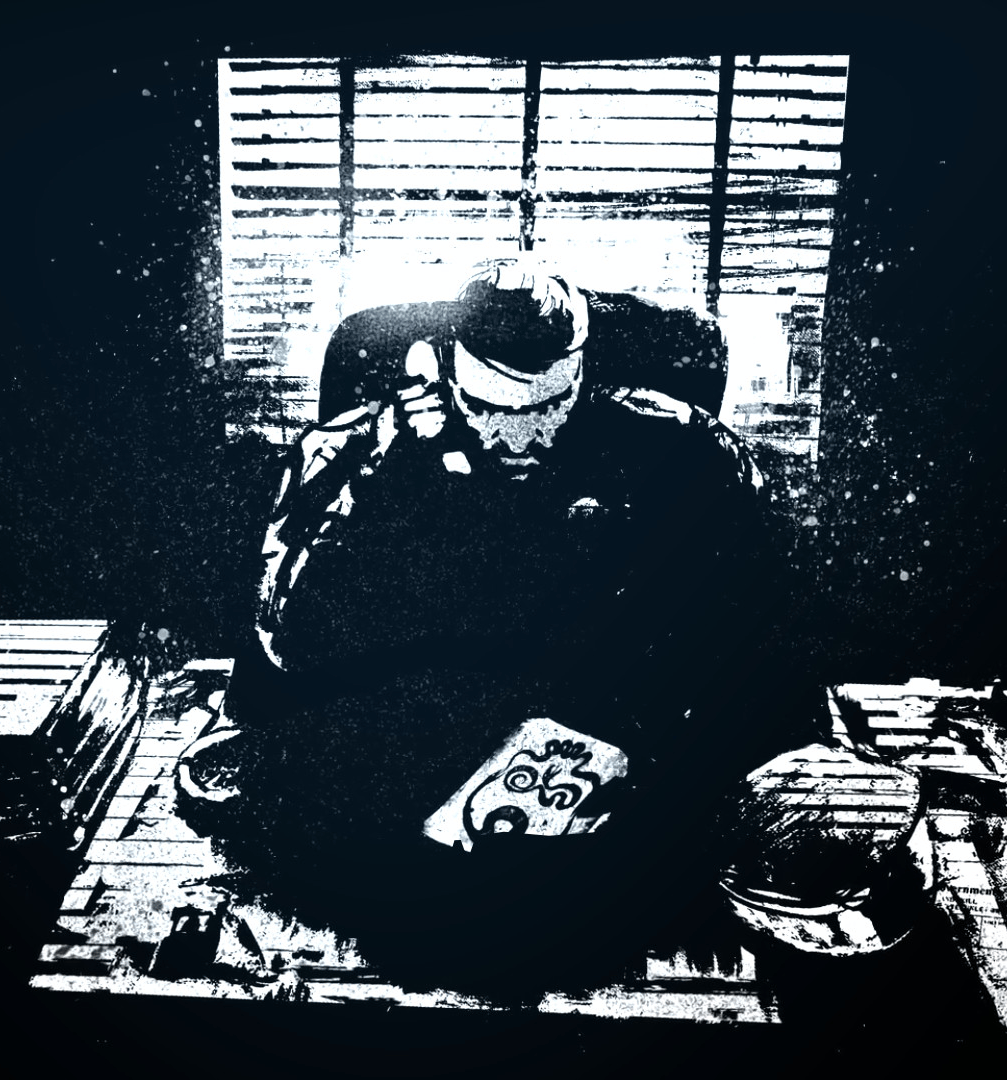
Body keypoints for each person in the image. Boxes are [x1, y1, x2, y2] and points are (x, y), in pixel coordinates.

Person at [185, 259, 822, 995]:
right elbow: (288, 645)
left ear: (582, 377)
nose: (522, 438)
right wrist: (395, 481)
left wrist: (647, 730)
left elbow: (766, 627)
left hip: (622, 792)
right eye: (488, 408)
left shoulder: (681, 448)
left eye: (550, 406)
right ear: (444, 373)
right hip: (405, 791)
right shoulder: (354, 454)